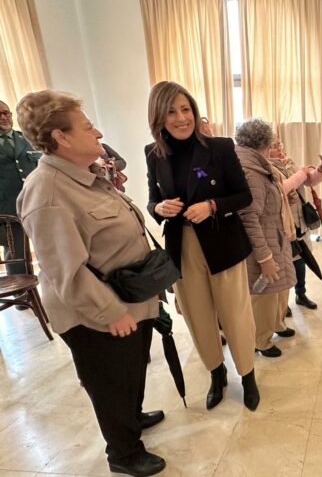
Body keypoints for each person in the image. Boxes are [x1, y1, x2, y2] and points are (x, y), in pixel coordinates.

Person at [15, 90, 166, 476]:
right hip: (95, 313)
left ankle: (130, 419)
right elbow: (65, 271)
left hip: (129, 296)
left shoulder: (87, 176)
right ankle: (124, 452)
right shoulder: (46, 191)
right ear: (61, 137)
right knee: (110, 381)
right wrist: (109, 311)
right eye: (86, 127)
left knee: (131, 369)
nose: (98, 131)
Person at [144, 81, 259, 412]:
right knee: (197, 315)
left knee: (235, 314)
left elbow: (243, 195)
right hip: (181, 246)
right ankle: (216, 372)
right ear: (158, 117)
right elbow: (153, 197)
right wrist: (157, 208)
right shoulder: (153, 154)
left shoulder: (221, 147)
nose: (181, 118)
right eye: (171, 111)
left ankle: (248, 375)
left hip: (223, 243)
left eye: (186, 109)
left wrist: (211, 206)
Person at [234, 118, 322, 358]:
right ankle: (260, 340)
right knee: (264, 294)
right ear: (263, 144)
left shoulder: (262, 165)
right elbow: (250, 216)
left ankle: (275, 325)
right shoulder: (251, 170)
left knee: (277, 288)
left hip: (279, 233)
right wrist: (264, 255)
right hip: (266, 240)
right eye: (273, 144)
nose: (278, 148)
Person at [268, 135, 322, 310]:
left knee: (301, 259)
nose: (280, 149)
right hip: (282, 222)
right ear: (265, 149)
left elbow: (309, 181)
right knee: (284, 263)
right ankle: (283, 304)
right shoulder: (266, 168)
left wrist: (320, 171)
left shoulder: (288, 162)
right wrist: (301, 173)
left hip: (299, 218)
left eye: (280, 144)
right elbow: (284, 188)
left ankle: (300, 294)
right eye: (275, 146)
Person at [0, 99, 39, 276]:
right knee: (17, 255)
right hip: (8, 209)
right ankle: (23, 297)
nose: (4, 117)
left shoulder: (28, 139)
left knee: (52, 247)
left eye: (6, 113)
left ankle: (57, 290)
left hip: (38, 203)